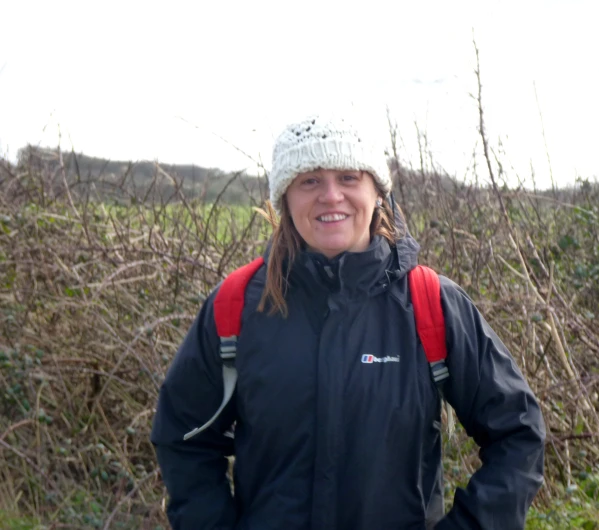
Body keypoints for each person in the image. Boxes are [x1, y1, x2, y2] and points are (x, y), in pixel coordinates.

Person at [150, 114, 546, 530]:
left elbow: (518, 434)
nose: (331, 195)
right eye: (309, 181)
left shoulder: (432, 305)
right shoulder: (236, 306)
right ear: (284, 198)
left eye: (348, 177)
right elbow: (184, 435)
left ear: (377, 192)